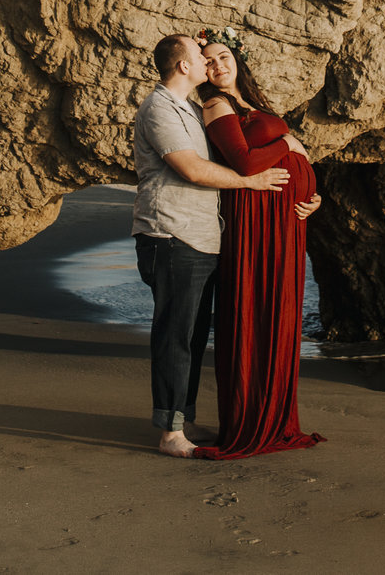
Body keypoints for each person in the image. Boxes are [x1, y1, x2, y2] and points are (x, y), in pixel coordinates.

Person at [133, 33, 290, 457]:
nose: (208, 63)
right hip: (169, 233)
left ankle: (183, 418)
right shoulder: (159, 107)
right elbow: (191, 168)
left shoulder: (189, 106)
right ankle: (169, 432)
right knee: (175, 334)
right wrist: (249, 182)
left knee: (195, 332)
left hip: (203, 235)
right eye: (199, 58)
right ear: (184, 66)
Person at [193, 34, 325, 459]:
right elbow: (246, 163)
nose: (218, 66)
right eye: (209, 61)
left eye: (223, 57)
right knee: (259, 307)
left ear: (238, 60)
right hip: (255, 220)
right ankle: (252, 421)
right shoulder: (217, 105)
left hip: (285, 220)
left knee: (282, 310)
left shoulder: (251, 103)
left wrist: (313, 194)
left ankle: (278, 417)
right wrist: (289, 145)